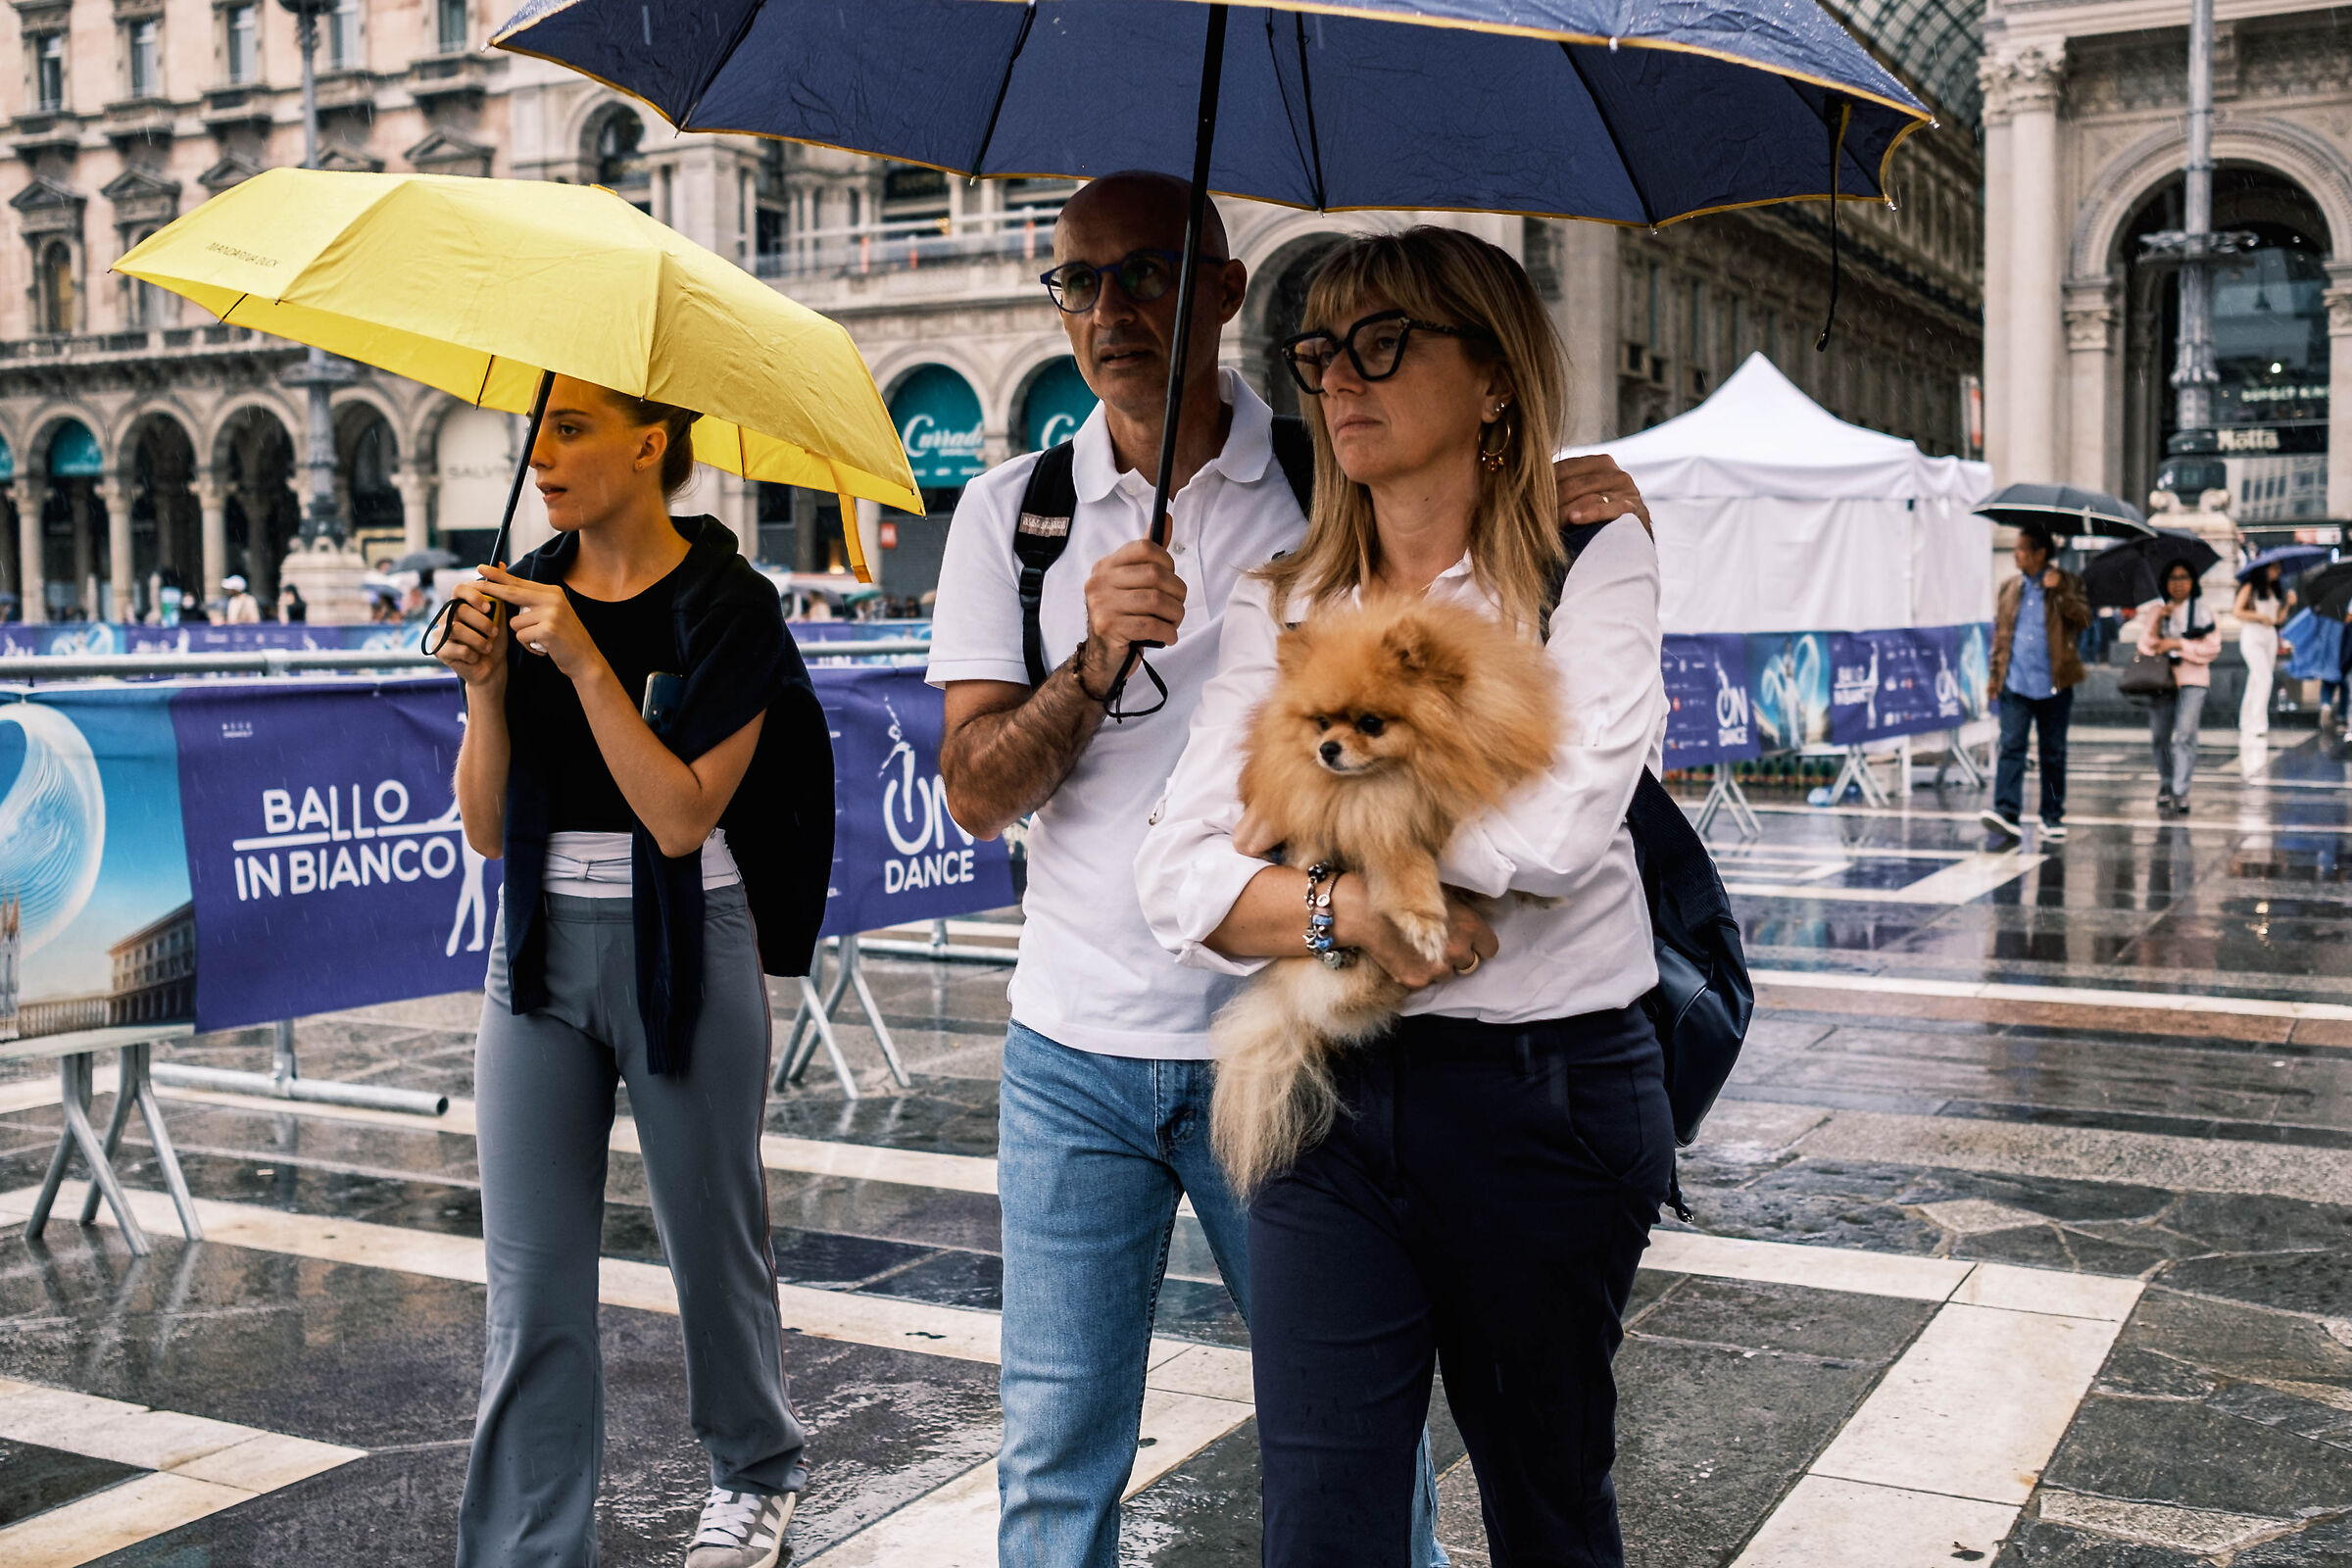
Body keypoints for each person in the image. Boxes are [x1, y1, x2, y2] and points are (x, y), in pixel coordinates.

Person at [928, 175, 1648, 1568]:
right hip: (1081, 1034)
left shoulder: (1333, 492)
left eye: (1147, 274)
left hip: (1312, 1042)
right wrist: (1094, 661)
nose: (1110, 311)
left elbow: (1554, 814)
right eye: (1078, 283)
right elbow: (982, 797)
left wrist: (1552, 499)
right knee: (1076, 1445)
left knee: (1429, 1480)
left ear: (1225, 291)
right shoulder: (1015, 516)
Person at [1136, 225, 1669, 1567]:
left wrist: (1307, 816)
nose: (1339, 378)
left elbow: (1557, 832)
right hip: (1327, 1087)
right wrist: (1354, 912)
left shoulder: (1586, 556)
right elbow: (1175, 875)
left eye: (1384, 342)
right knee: (1320, 1527)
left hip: (1545, 1093)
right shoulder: (1287, 598)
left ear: (1495, 378)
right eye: (1318, 349)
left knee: (1549, 1504)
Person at [432, 372, 834, 1568]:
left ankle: (757, 1473)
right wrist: (486, 689)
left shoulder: (734, 603)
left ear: (648, 443)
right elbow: (489, 828)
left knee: (712, 1243)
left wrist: (588, 666)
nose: (542, 454)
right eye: (536, 431)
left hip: (685, 940)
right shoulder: (530, 591)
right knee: (530, 1277)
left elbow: (678, 814)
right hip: (539, 949)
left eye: (572, 427)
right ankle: (524, 1546)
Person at [1981, 521, 2090, 843]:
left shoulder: (2069, 582)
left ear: (2041, 553)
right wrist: (1994, 677)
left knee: (2052, 751)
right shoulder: (2009, 588)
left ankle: (2052, 815)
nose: (2015, 554)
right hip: (2015, 681)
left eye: (2021, 549)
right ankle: (2006, 811)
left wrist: (2061, 591)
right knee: (2011, 746)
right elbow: (2000, 636)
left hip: (2054, 682)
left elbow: (2084, 620)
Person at [2133, 560, 2222, 816]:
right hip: (2160, 681)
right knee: (2160, 736)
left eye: (2184, 577)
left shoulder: (2204, 612)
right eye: (2173, 578)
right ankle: (2166, 782)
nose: (2178, 583)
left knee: (2185, 735)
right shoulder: (2156, 612)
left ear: (2193, 581)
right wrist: (2157, 624)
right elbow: (2146, 647)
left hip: (2193, 681)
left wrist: (2179, 645)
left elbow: (2212, 648)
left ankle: (2181, 791)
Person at [2234, 561, 2295, 775]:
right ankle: (2258, 725)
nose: (2278, 572)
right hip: (2252, 635)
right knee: (2264, 678)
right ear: (2264, 569)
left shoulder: (2275, 590)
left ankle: (2247, 721)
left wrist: (2287, 604)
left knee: (2256, 680)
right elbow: (2237, 612)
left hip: (2269, 637)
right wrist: (2259, 616)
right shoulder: (2250, 587)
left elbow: (2278, 620)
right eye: (2274, 568)